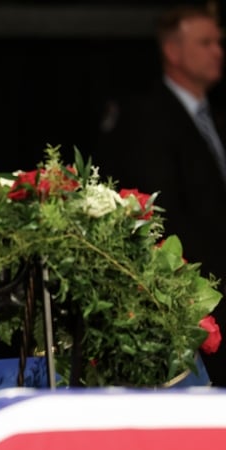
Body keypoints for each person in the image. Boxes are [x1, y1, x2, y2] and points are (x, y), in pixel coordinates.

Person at [96, 5, 226, 385]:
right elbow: (166, 216)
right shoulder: (148, 117)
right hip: (200, 295)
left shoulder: (214, 117)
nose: (218, 50)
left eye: (218, 41)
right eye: (206, 42)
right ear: (173, 51)